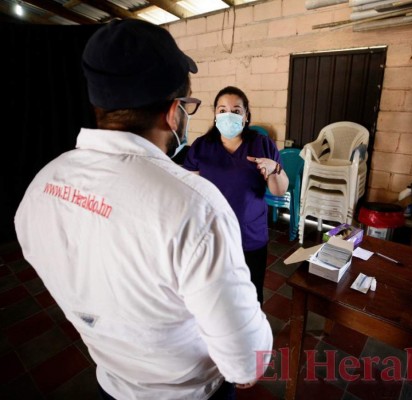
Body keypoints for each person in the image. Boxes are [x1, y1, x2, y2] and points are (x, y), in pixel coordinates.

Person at [14, 20, 272, 400]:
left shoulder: (41, 187)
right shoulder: (196, 208)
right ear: (174, 113)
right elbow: (247, 363)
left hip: (112, 384)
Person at [183, 87, 289, 304]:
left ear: (246, 115)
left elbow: (279, 190)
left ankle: (251, 336)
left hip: (250, 236)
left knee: (251, 296)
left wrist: (275, 168)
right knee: (215, 297)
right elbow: (190, 191)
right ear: (214, 115)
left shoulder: (261, 144)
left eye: (236, 110)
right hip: (212, 237)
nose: (228, 115)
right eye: (222, 110)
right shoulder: (201, 147)